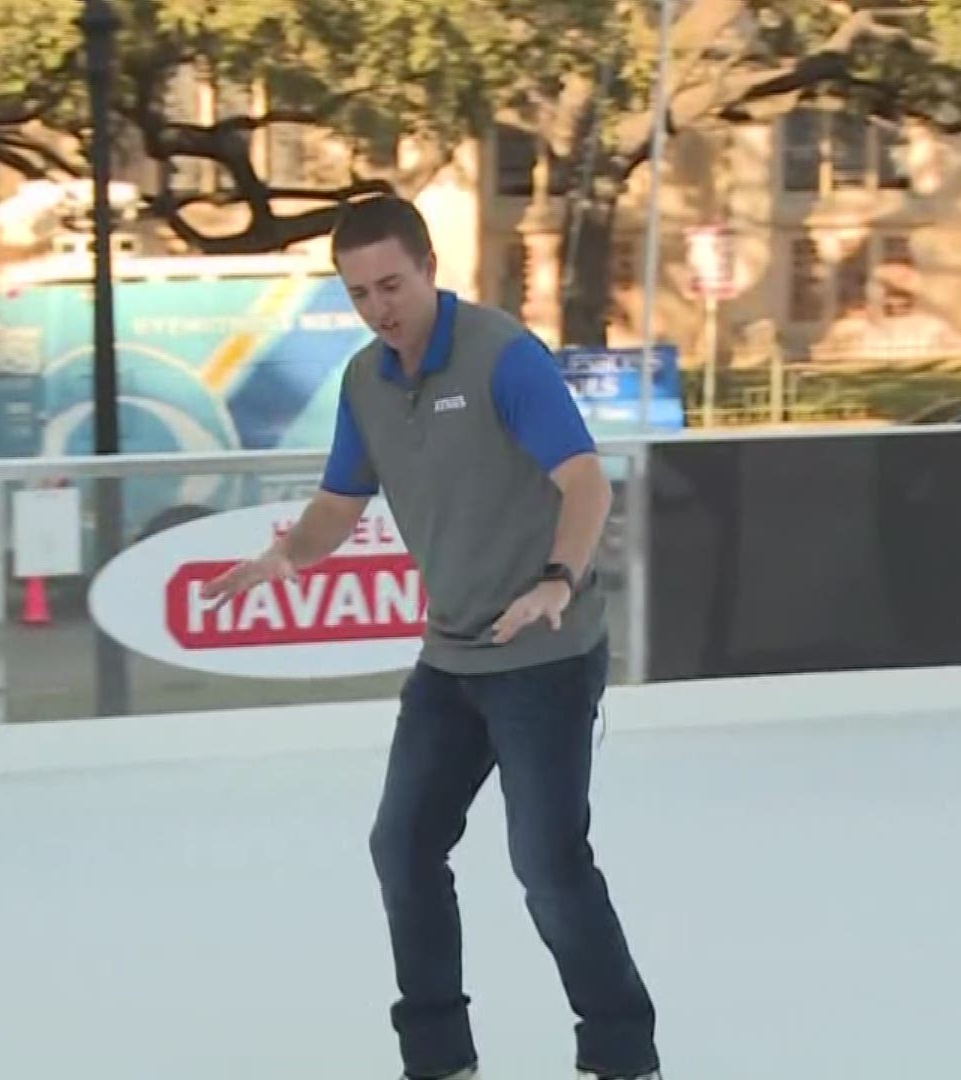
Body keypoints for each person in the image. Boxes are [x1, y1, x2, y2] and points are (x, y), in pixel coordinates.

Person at [201, 195, 661, 1080]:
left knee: (548, 865)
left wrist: (556, 582)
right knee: (403, 845)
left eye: (392, 283)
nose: (380, 307)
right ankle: (439, 1059)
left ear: (429, 268)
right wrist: (287, 556)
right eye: (360, 292)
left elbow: (584, 484)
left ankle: (623, 1057)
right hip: (451, 656)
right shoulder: (365, 383)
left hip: (545, 657)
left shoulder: (502, 358)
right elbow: (341, 503)